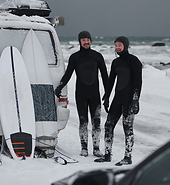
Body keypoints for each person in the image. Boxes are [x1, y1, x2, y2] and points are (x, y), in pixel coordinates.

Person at [54, 31, 108, 157]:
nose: (86, 42)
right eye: (83, 40)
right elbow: (68, 74)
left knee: (96, 121)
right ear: (79, 41)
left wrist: (107, 93)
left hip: (95, 94)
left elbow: (105, 76)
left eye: (88, 39)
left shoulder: (97, 56)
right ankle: (84, 148)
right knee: (83, 121)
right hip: (81, 94)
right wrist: (60, 86)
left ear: (91, 41)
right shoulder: (75, 57)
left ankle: (96, 148)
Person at [95, 36, 142, 166]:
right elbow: (111, 81)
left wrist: (135, 100)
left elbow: (138, 82)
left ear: (125, 45)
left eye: (120, 45)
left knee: (128, 129)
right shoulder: (116, 63)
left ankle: (128, 157)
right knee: (108, 126)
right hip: (117, 99)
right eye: (115, 45)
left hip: (129, 100)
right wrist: (106, 97)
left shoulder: (134, 61)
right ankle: (107, 154)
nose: (117, 47)